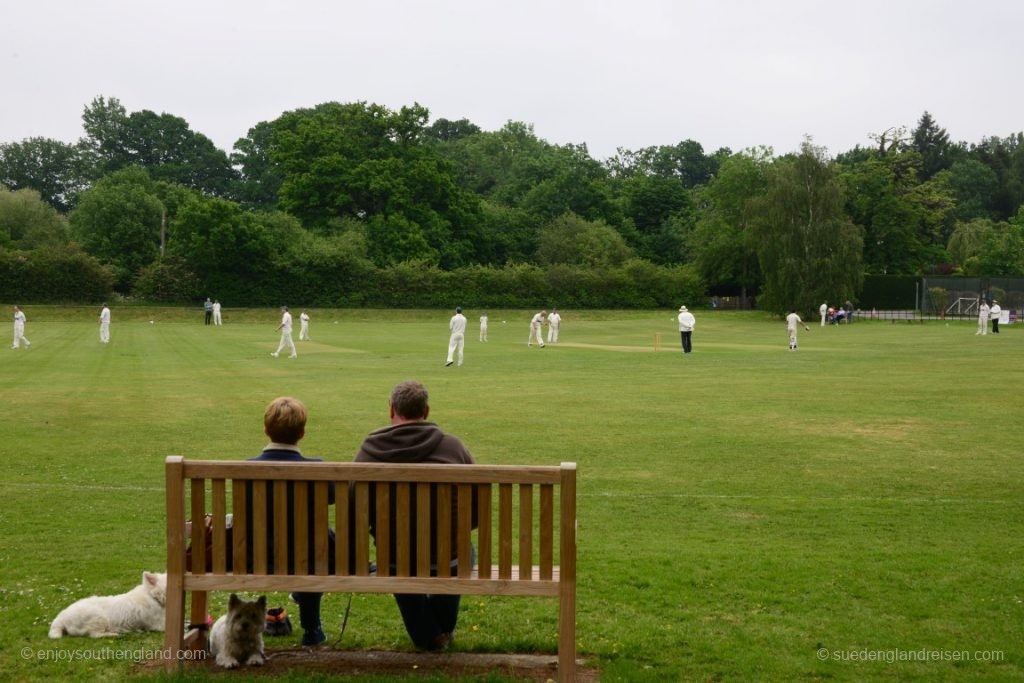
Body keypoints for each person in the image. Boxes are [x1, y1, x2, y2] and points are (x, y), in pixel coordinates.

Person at [353, 380, 477, 651]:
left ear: (391, 410)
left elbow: (355, 513)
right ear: (427, 411)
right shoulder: (454, 448)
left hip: (395, 559)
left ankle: (431, 636)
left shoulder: (370, 451)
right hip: (450, 558)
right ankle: (439, 632)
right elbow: (476, 513)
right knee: (463, 551)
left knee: (398, 558)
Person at [247, 397, 333, 646]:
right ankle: (312, 630)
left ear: (266, 430)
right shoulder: (317, 469)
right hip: (308, 558)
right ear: (302, 433)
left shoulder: (247, 469)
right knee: (316, 545)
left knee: (313, 544)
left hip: (258, 557)